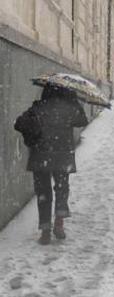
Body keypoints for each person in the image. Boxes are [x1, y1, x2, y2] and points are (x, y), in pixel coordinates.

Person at [15, 86, 88, 245]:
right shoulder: (69, 108)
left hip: (40, 156)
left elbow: (19, 123)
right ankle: (59, 224)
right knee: (62, 188)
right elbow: (83, 120)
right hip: (62, 156)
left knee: (43, 192)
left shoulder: (38, 107)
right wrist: (74, 101)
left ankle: (45, 231)